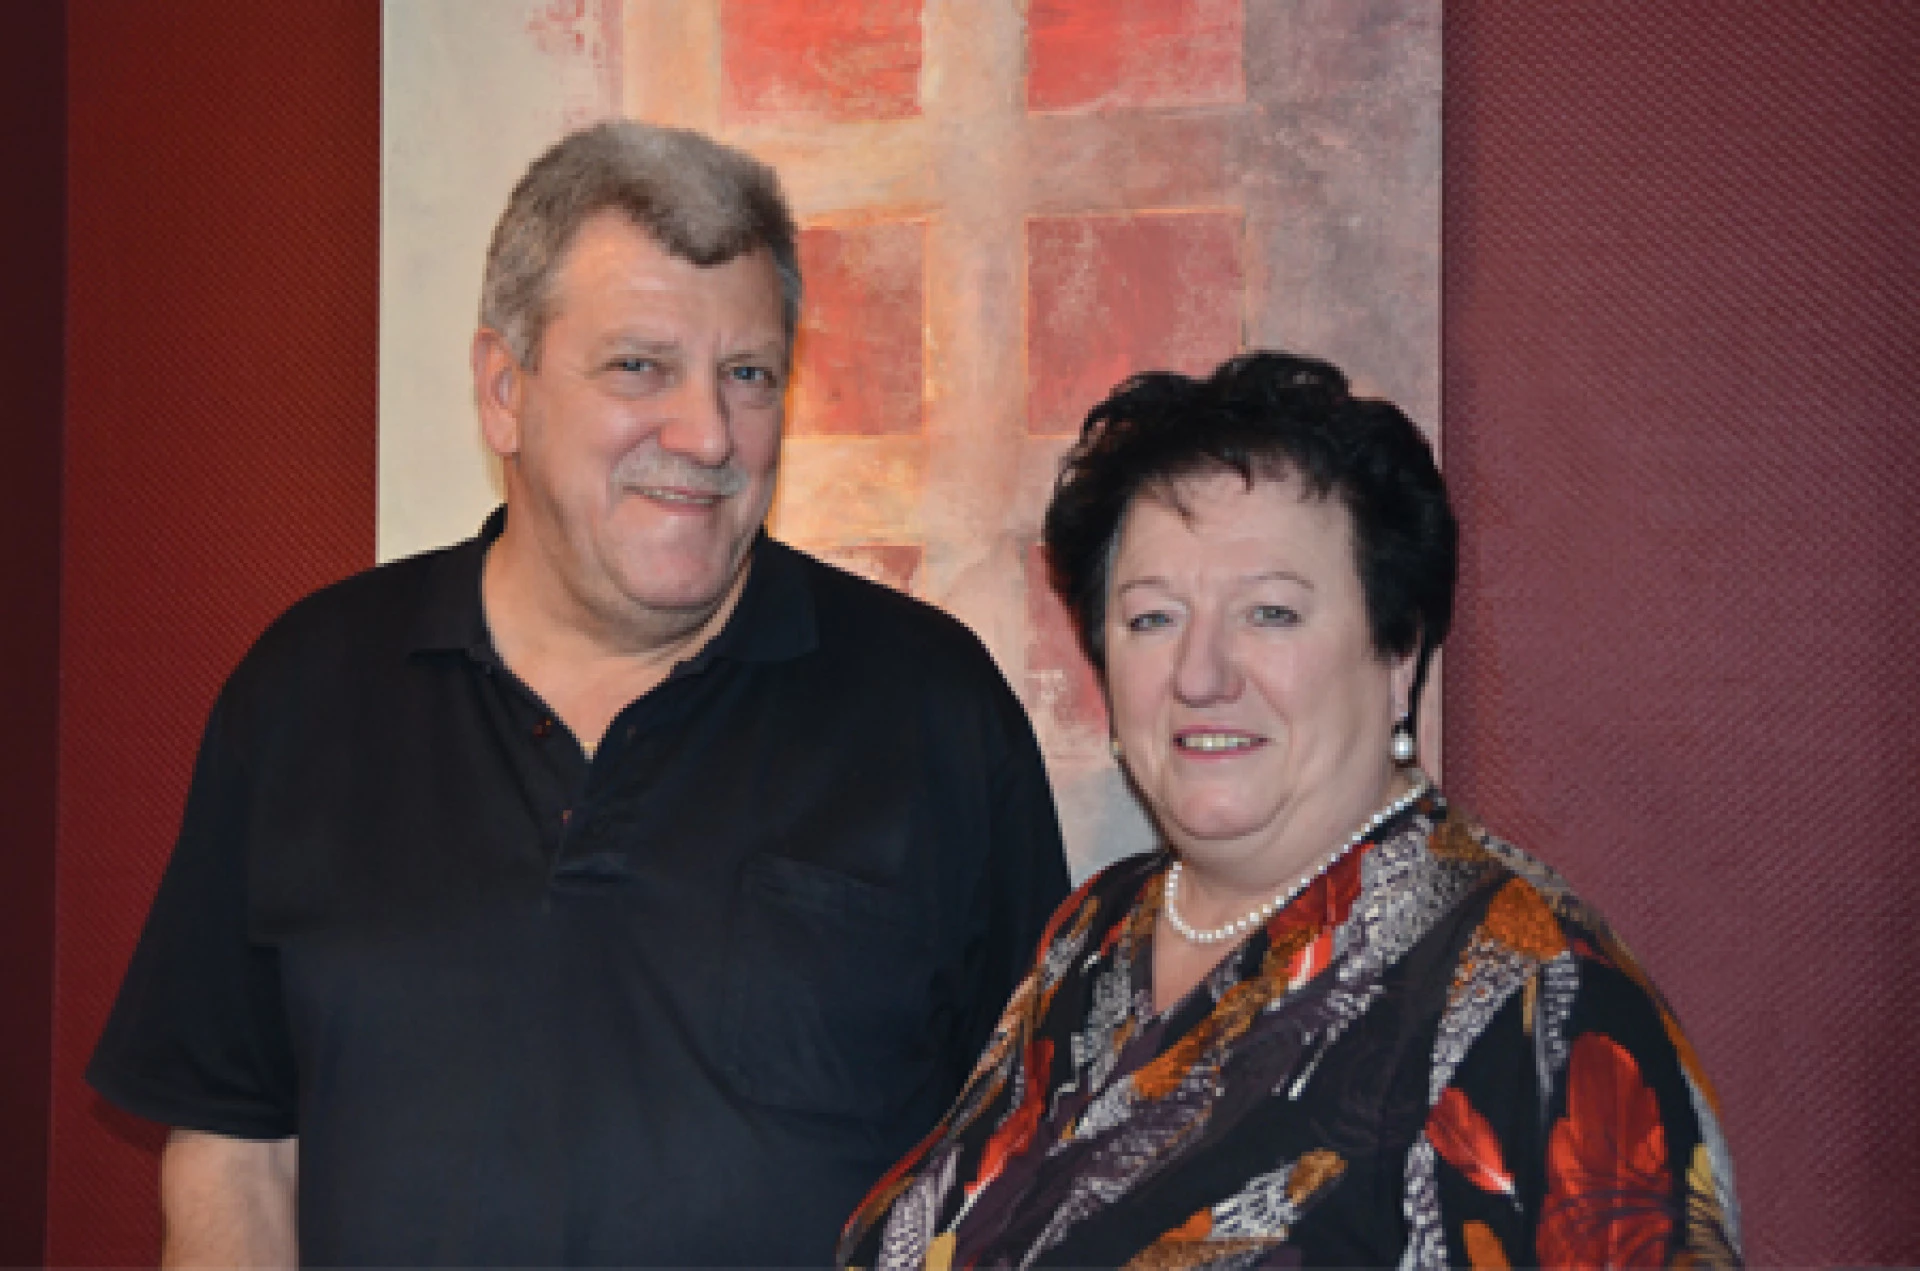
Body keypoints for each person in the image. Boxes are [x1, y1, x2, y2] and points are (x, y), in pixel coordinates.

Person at [87, 120, 1069, 1266]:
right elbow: (236, 1145)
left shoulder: (933, 706)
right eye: (639, 366)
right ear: (505, 390)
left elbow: (1032, 1168)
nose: (706, 432)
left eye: (746, 374)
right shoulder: (305, 688)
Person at [839, 352, 1741, 1268]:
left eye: (1269, 612)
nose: (1199, 673)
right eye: (1153, 618)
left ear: (1398, 653)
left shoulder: (1540, 1000)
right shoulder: (1096, 934)